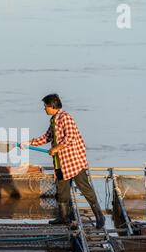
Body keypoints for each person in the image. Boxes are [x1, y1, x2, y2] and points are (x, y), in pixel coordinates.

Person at [21, 94, 105, 229]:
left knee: (85, 189)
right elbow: (46, 137)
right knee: (62, 191)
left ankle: (100, 216)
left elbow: (70, 137)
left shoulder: (65, 117)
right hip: (60, 163)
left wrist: (56, 148)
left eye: (45, 106)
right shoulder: (54, 120)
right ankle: (64, 218)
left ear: (52, 106)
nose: (44, 109)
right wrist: (28, 143)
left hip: (73, 162)